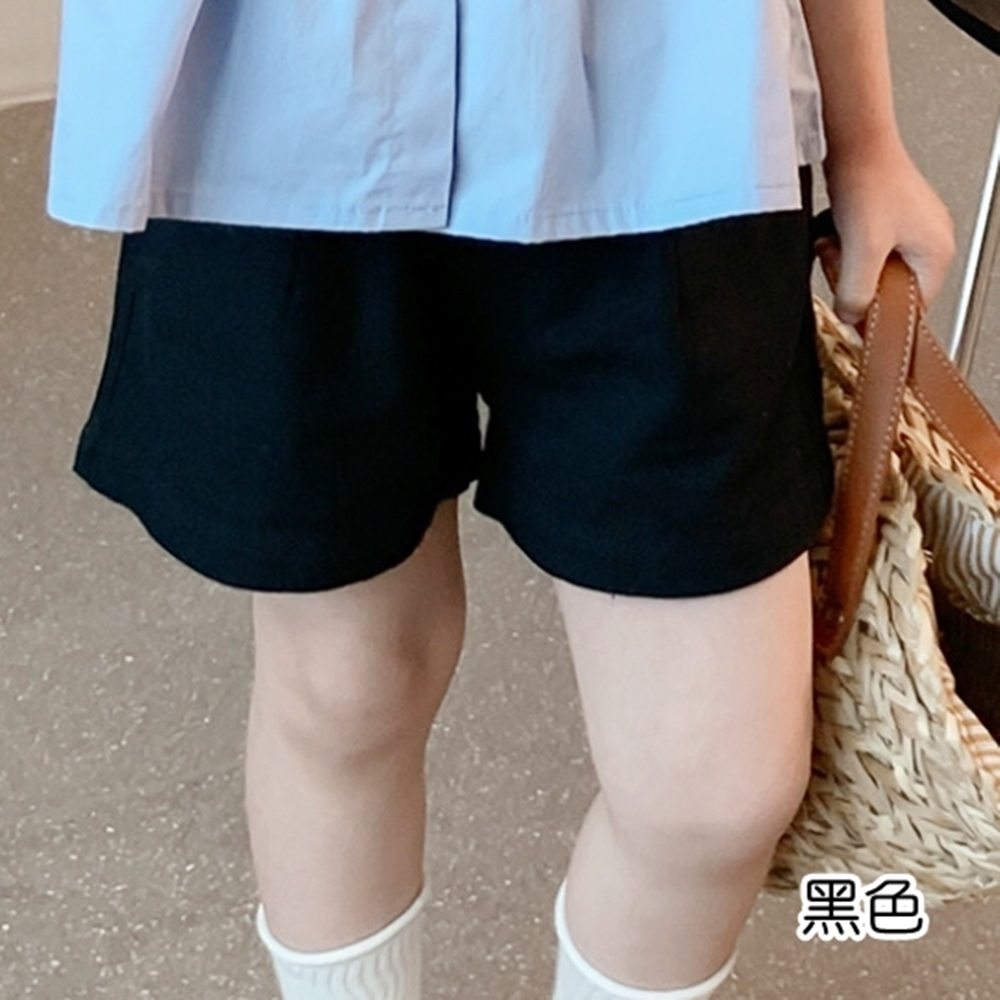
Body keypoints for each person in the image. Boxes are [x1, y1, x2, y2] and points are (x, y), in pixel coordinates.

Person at [46, 1, 955, 998]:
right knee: (349, 681)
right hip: (282, 90)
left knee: (712, 788)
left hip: (672, 90)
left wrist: (866, 136)